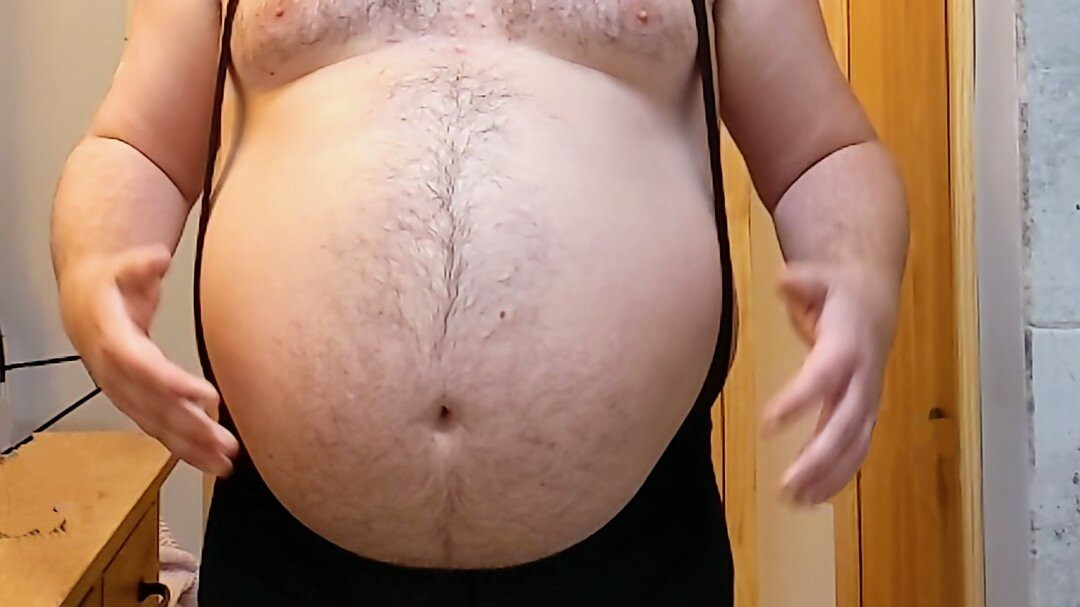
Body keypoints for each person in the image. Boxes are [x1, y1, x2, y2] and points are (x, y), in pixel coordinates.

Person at [51, 0, 907, 604]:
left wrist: (860, 278)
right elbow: (135, 143)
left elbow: (822, 150)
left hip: (634, 551)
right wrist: (90, 272)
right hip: (290, 554)